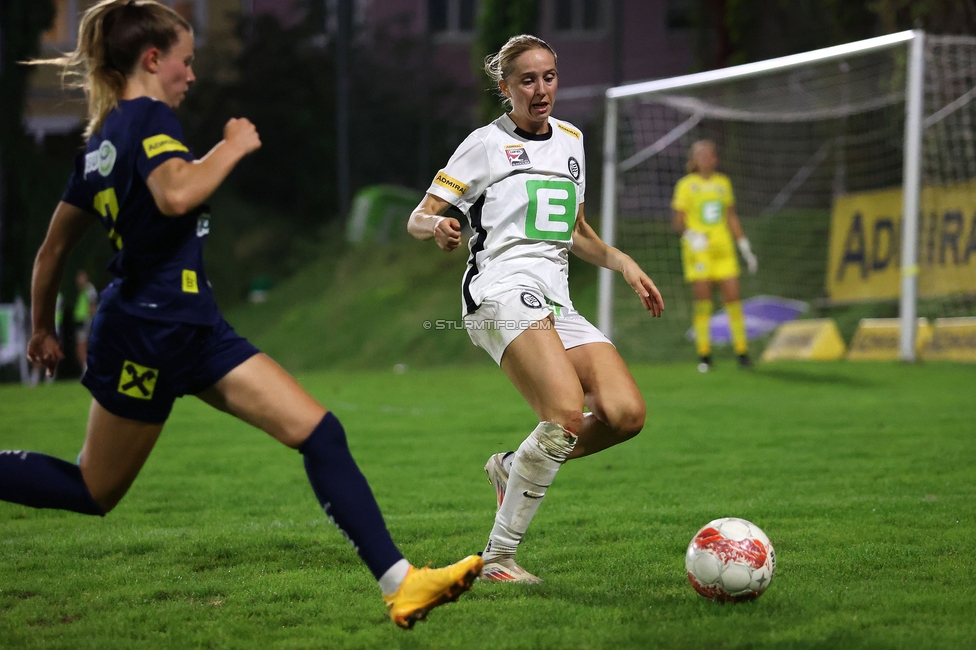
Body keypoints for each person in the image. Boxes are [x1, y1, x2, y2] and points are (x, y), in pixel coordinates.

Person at [2, 0, 481, 629]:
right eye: (185, 60)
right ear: (152, 60)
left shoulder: (101, 141)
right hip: (147, 332)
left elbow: (52, 250)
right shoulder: (149, 119)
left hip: (192, 326)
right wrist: (230, 147)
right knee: (95, 490)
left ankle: (403, 584)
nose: (191, 75)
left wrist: (41, 326)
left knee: (319, 432)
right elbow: (176, 194)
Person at [407, 35, 665, 583]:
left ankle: (511, 465)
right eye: (527, 80)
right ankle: (499, 559)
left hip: (555, 298)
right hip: (498, 292)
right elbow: (418, 216)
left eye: (548, 76)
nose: (541, 88)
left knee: (625, 414)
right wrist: (440, 226)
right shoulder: (483, 145)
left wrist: (622, 262)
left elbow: (572, 231)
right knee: (566, 413)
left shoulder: (571, 141)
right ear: (505, 88)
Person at [671, 140, 758, 372]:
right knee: (703, 300)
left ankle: (742, 352)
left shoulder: (723, 183)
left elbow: (731, 217)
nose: (705, 158)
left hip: (723, 250)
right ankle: (705, 354)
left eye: (709, 154)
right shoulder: (686, 186)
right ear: (693, 160)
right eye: (700, 154)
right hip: (699, 252)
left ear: (715, 158)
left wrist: (744, 246)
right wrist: (691, 236)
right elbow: (678, 222)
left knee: (733, 297)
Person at [74, 270, 98, 372]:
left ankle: (87, 369)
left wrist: (91, 320)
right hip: (81, 321)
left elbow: (93, 304)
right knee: (80, 346)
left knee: (82, 345)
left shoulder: (89, 289)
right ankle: (86, 368)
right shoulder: (82, 291)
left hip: (85, 321)